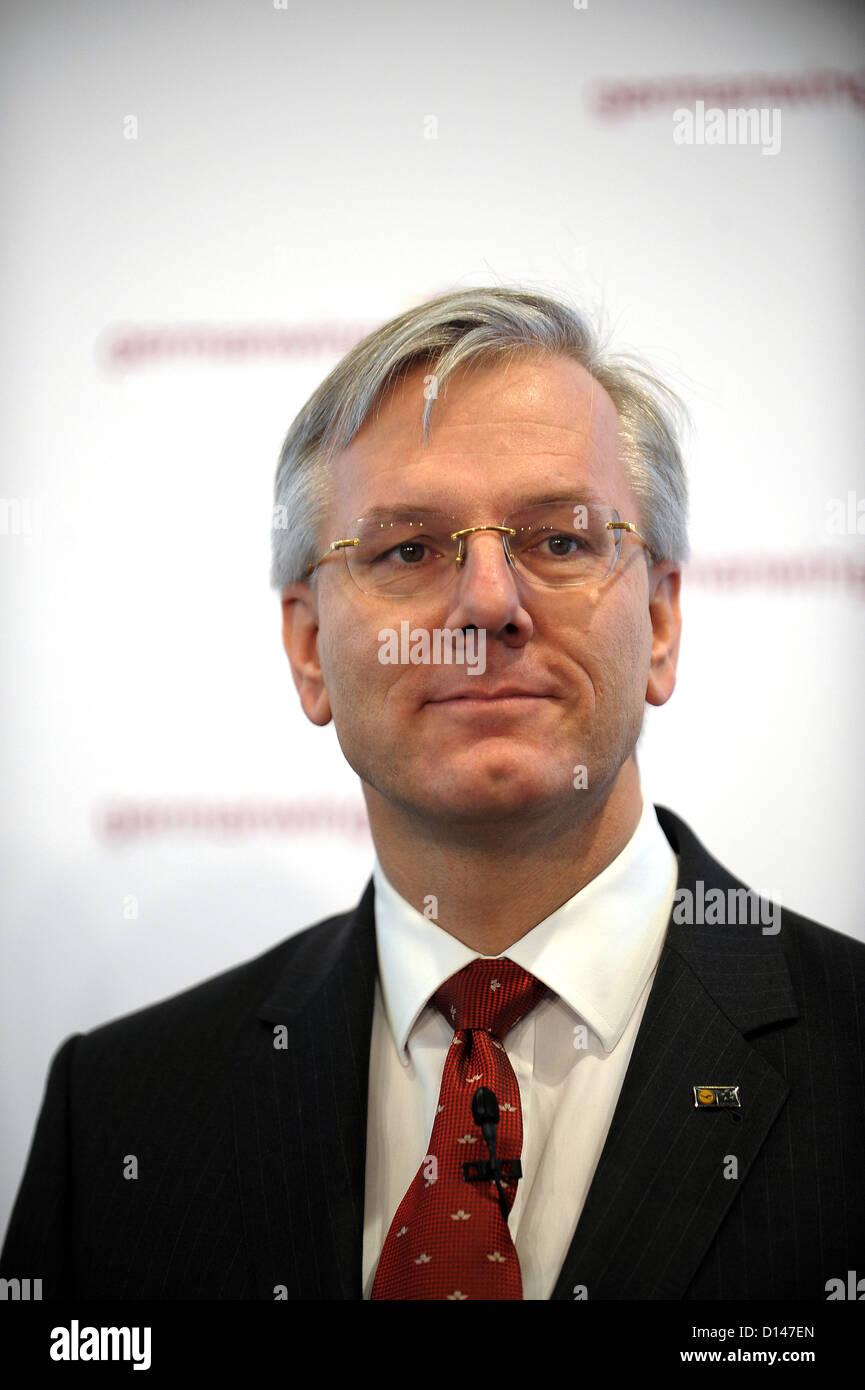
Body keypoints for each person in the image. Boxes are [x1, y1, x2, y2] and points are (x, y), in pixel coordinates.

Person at [2, 286, 863, 1301]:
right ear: (309, 647)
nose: (488, 604)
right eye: (407, 549)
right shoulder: (120, 1112)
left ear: (662, 623)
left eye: (559, 540)